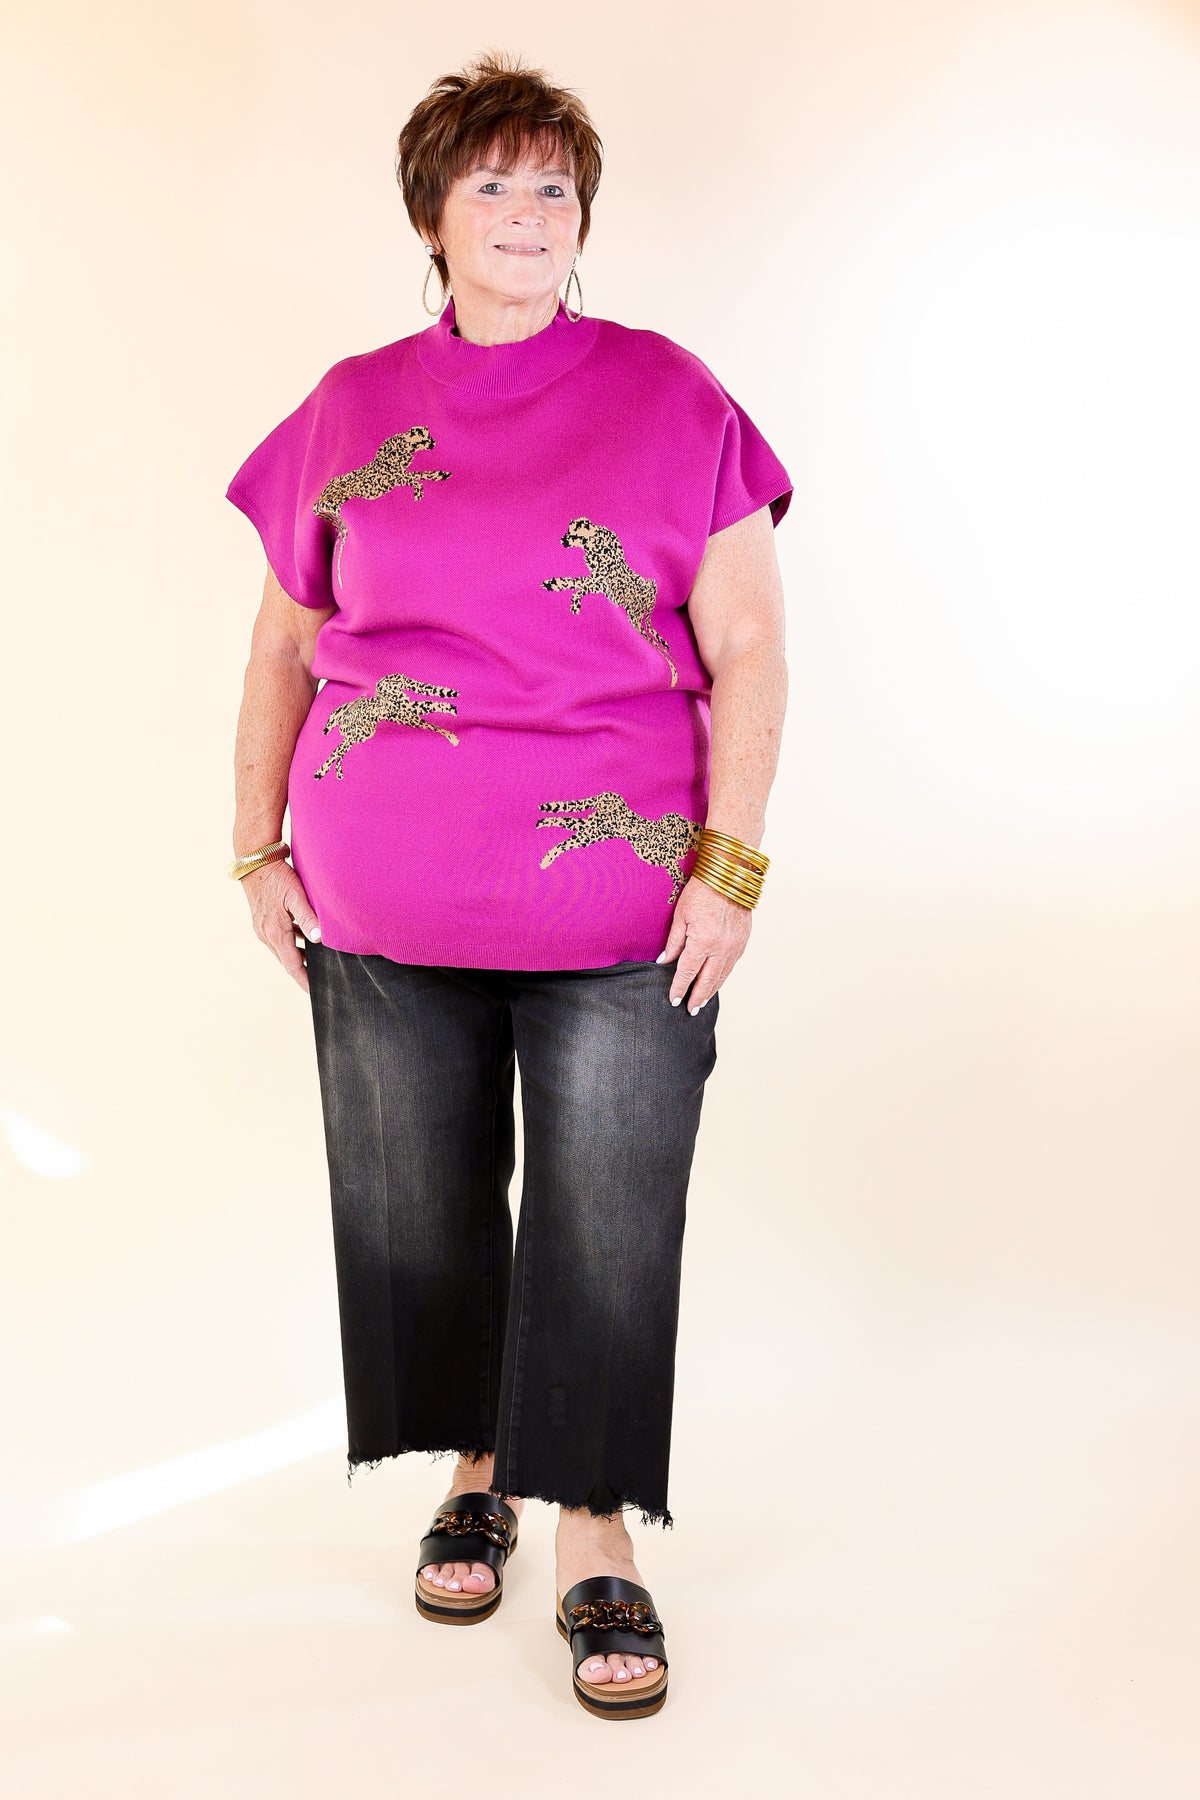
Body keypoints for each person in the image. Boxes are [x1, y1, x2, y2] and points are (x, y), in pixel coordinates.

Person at [225, 49, 790, 1721]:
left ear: (583, 219)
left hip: (622, 905)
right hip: (382, 898)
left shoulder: (673, 397)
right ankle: (477, 1461)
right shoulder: (350, 408)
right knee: (420, 1202)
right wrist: (253, 844)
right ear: (433, 216)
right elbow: (281, 648)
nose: (530, 214)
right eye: (495, 185)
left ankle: (592, 1524)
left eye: (555, 187)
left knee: (608, 1212)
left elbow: (751, 646)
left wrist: (731, 868)